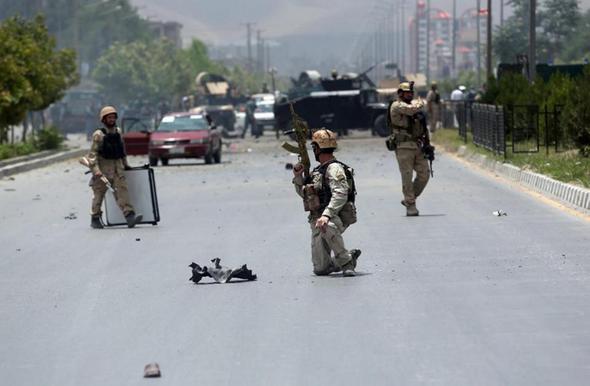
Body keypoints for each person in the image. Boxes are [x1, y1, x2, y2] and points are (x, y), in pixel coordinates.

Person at [292, 129, 361, 276]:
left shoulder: (334, 168)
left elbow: (340, 194)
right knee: (321, 269)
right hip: (317, 219)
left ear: (317, 149)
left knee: (327, 226)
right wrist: (298, 178)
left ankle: (347, 263)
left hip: (335, 217)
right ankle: (349, 257)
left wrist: (327, 215)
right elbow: (305, 195)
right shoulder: (317, 171)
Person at [86, 106, 142, 229]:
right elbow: (92, 156)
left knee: (123, 193)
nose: (111, 120)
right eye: (109, 118)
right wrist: (96, 171)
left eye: (113, 117)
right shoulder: (98, 135)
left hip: (117, 169)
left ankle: (130, 217)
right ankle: (95, 218)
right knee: (98, 196)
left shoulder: (118, 132)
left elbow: (121, 150)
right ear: (103, 119)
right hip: (103, 171)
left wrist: (126, 165)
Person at [389, 82, 430, 216]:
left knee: (424, 174)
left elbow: (421, 127)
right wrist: (419, 103)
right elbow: (411, 109)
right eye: (407, 93)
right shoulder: (396, 106)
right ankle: (410, 205)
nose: (410, 95)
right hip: (403, 147)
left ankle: (409, 198)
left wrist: (427, 143)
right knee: (407, 176)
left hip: (417, 146)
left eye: (411, 93)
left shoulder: (413, 108)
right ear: (400, 93)